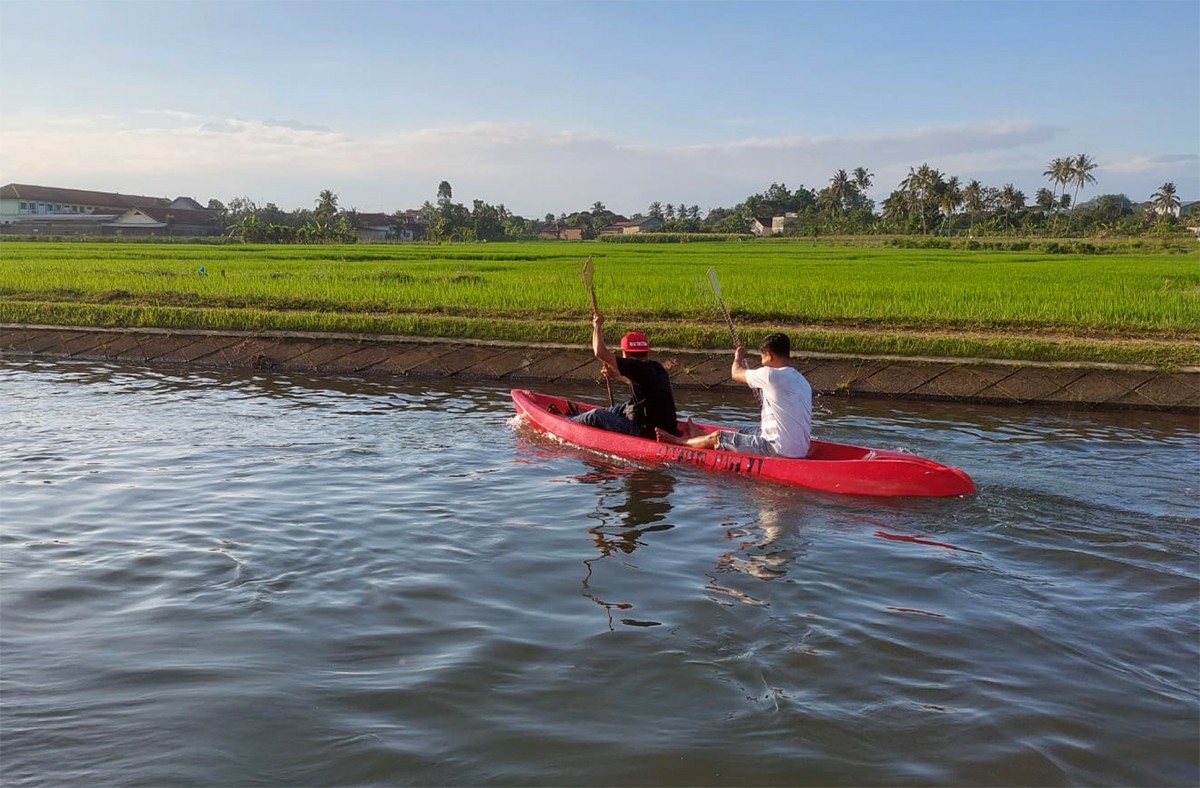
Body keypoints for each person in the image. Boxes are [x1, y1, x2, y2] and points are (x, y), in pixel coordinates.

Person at [656, 332, 811, 458]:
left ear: (769, 355)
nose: (762, 362)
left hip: (777, 449)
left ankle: (678, 441)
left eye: (762, 357)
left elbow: (736, 373)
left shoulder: (770, 375)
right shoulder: (802, 380)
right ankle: (701, 435)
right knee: (742, 431)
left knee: (719, 437)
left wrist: (739, 357)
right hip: (800, 449)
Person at [570, 311, 679, 439]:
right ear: (646, 351)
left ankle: (569, 421)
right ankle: (578, 417)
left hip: (647, 431)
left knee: (596, 415)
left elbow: (600, 353)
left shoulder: (634, 365)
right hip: (667, 426)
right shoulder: (655, 367)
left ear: (626, 354)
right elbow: (641, 384)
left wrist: (597, 326)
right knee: (621, 408)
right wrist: (615, 375)